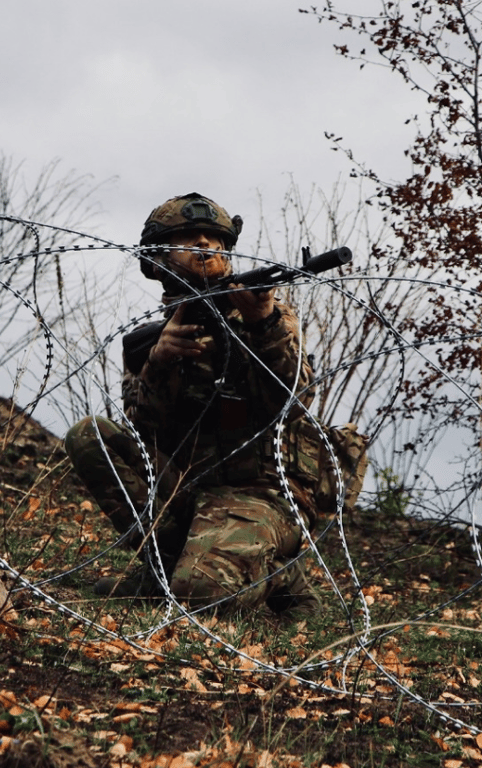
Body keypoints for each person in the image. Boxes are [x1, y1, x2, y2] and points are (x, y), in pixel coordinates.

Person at [64, 193, 319, 616]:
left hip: (260, 493)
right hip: (188, 485)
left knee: (200, 597)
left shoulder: (270, 318)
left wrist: (263, 325)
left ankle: (278, 574)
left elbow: (292, 403)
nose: (204, 246)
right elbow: (146, 431)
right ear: (158, 259)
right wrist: (159, 364)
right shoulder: (153, 338)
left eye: (214, 240)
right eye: (189, 239)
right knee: (90, 436)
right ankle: (161, 565)